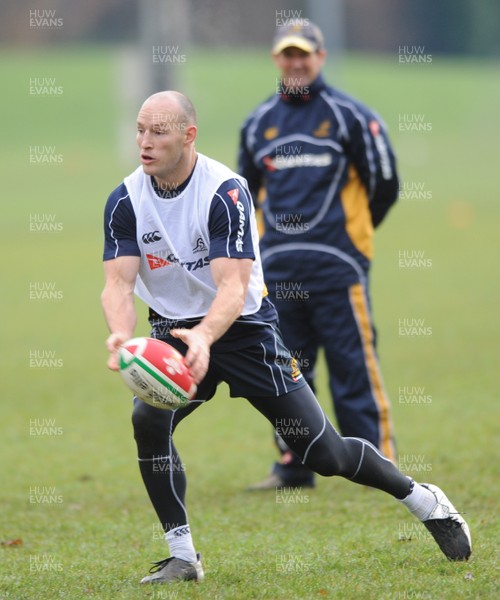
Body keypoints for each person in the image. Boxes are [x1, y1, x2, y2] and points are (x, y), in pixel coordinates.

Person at [101, 90, 471, 585]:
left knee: (326, 454)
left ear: (188, 136)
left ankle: (425, 500)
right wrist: (122, 338)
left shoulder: (224, 191)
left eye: (158, 131)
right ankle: (182, 555)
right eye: (140, 130)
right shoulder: (125, 199)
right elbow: (118, 283)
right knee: (147, 418)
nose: (144, 141)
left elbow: (232, 287)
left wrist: (207, 337)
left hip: (245, 332)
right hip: (171, 333)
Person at [238, 22, 399, 490]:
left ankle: (376, 467)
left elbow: (385, 185)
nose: (296, 63)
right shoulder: (257, 123)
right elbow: (242, 198)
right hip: (278, 272)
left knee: (353, 369)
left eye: (304, 55)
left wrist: (351, 238)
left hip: (338, 267)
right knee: (285, 372)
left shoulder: (350, 116)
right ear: (275, 60)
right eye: (287, 55)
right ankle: (293, 466)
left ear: (321, 57)